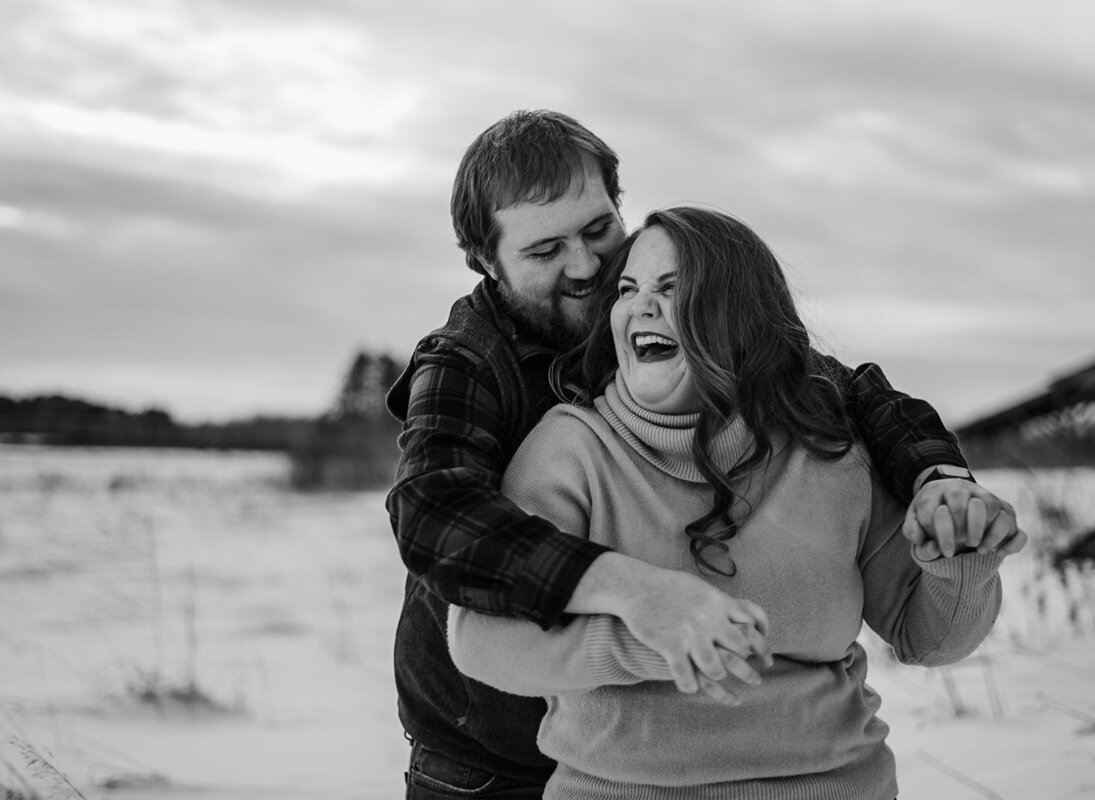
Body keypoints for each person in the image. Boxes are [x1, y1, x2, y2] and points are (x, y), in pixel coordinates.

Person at [385, 110, 1020, 799]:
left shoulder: (772, 407)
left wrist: (943, 483)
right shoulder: (475, 365)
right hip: (488, 753)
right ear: (485, 260)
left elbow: (860, 396)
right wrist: (640, 599)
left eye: (600, 231)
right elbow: (434, 516)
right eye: (544, 252)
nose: (589, 267)